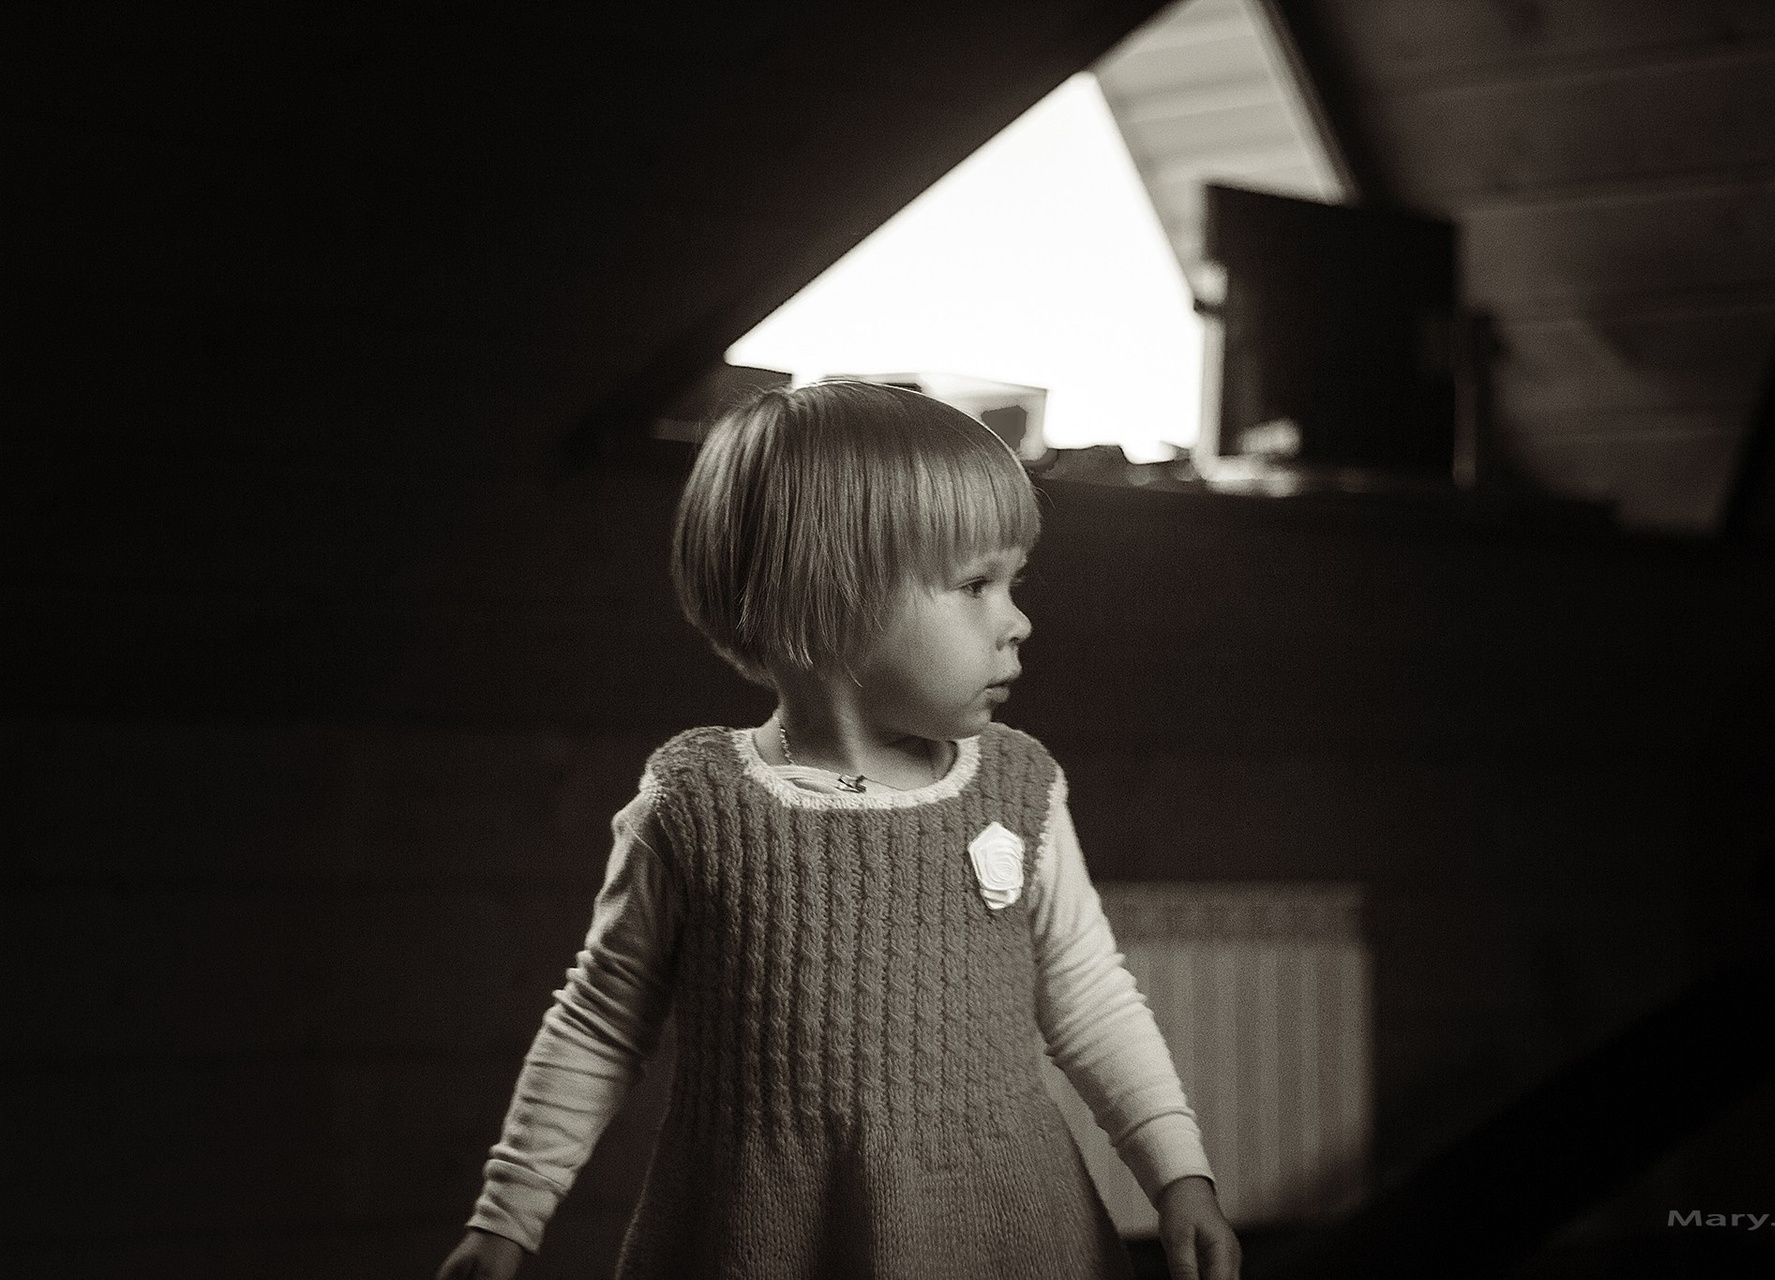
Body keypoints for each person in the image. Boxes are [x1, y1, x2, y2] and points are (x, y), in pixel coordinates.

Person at [435, 381, 1241, 1280]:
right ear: (830, 597)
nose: (1017, 620)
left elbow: (1091, 1001)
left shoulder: (1019, 789)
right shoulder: (696, 807)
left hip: (1003, 1224)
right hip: (764, 1232)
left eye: (1014, 581)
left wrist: (1179, 1175)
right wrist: (507, 1218)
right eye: (976, 584)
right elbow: (600, 1022)